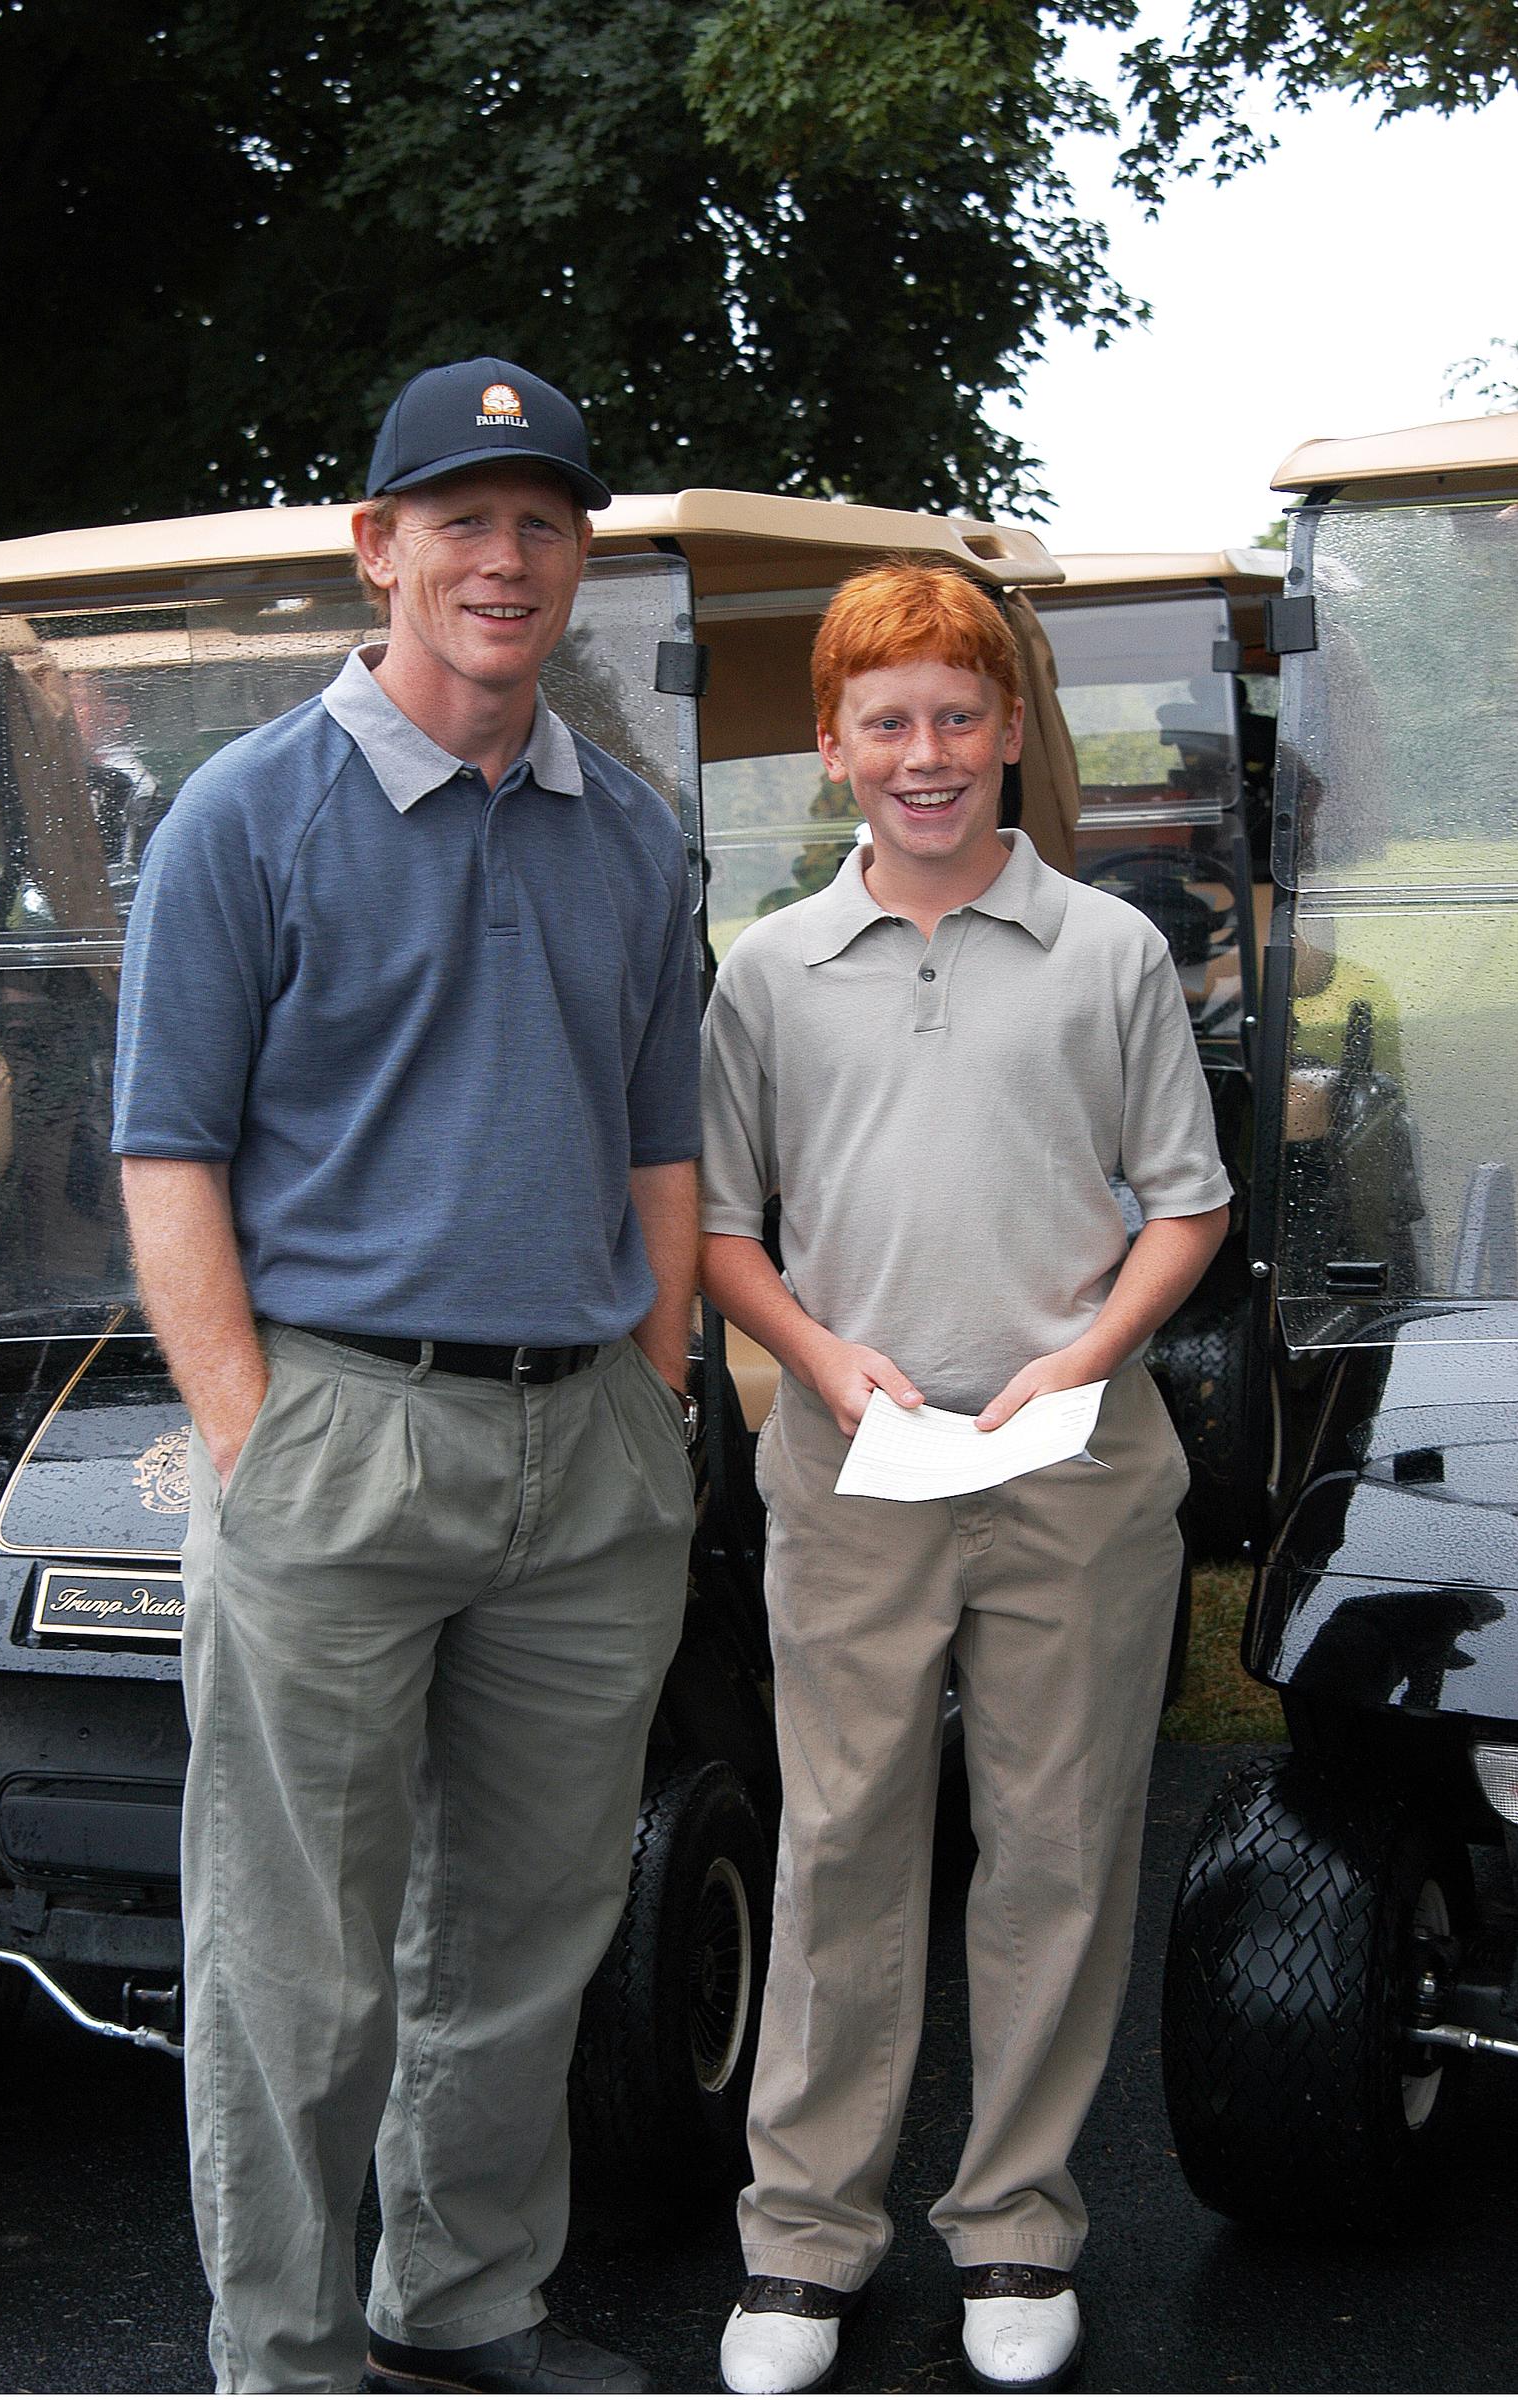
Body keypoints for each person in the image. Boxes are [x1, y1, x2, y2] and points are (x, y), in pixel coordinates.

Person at [113, 357, 701, 2396]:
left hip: (588, 1459)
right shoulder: (242, 821)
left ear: (576, 560)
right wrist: (251, 1436)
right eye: (463, 518)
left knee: (528, 1946)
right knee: (294, 1965)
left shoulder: (630, 837)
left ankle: (461, 2309)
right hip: (337, 1436)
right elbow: (166, 1153)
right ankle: (283, 2359)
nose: (506, 557)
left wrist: (660, 1384)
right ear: (379, 548)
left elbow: (659, 1145)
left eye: (543, 521)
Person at [699, 563, 1231, 2396]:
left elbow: (1189, 1202)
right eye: (884, 723)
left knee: (1056, 1844)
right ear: (831, 748)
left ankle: (1015, 2220)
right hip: (850, 1468)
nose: (923, 755)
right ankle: (805, 2246)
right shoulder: (768, 971)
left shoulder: (1108, 951)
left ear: (1010, 730)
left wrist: (1082, 1357)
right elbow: (717, 1225)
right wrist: (818, 1355)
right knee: (842, 1838)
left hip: (1075, 1468)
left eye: (955, 717)